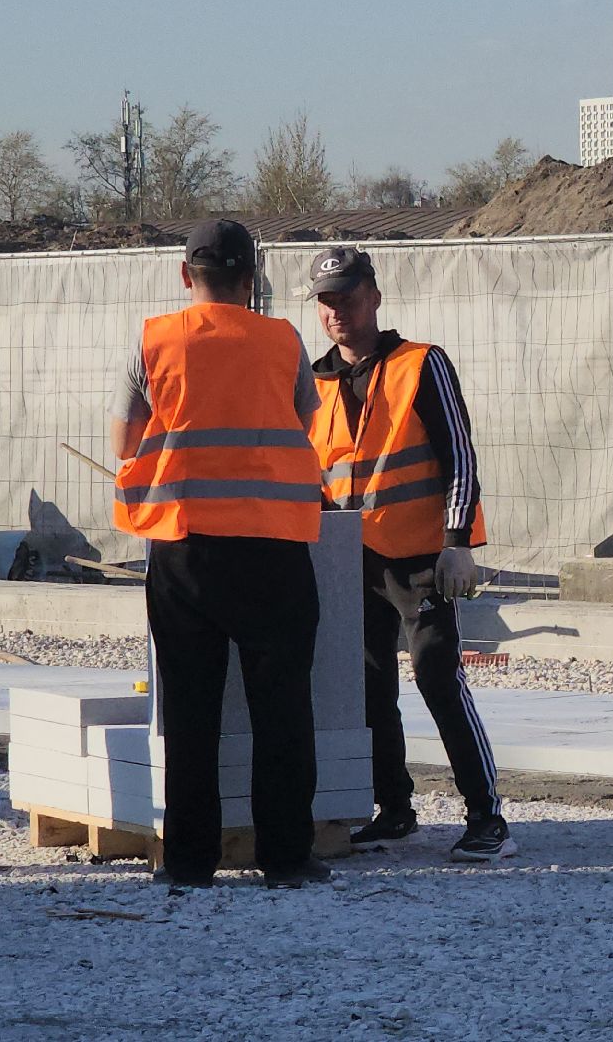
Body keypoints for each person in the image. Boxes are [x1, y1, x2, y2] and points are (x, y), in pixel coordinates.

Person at [109, 220, 328, 890]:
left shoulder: (152, 341)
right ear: (251, 280)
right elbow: (306, 421)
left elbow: (123, 441)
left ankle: (188, 863)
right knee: (283, 709)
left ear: (185, 276)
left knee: (192, 713)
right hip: (273, 547)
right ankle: (287, 859)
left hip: (182, 549)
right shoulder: (284, 340)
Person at [304, 247, 513, 862]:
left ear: (373, 295)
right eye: (326, 300)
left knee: (437, 677)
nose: (337, 310)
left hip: (423, 556)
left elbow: (459, 456)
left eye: (346, 295)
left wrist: (457, 545)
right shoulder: (314, 382)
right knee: (367, 685)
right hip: (351, 561)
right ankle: (393, 808)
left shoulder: (422, 364)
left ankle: (486, 817)